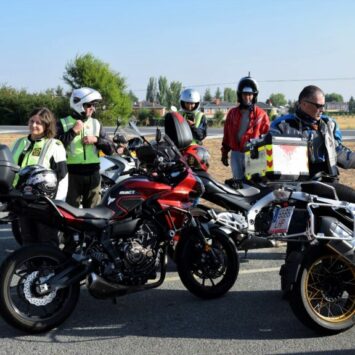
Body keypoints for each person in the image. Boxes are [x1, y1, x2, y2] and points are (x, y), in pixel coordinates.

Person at [271, 85, 355, 201]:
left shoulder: (329, 125)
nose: (322, 110)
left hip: (327, 184)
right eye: (318, 106)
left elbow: (339, 153)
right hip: (296, 188)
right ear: (303, 104)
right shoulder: (282, 125)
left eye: (323, 106)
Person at [11, 107, 68, 245]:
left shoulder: (55, 145)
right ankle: (31, 265)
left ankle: (49, 266)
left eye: (39, 123)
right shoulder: (19, 142)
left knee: (47, 240)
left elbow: (63, 176)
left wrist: (58, 203)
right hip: (22, 200)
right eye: (32, 121)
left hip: (44, 203)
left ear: (47, 125)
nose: (34, 125)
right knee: (27, 239)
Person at [56, 87, 115, 208]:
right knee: (70, 211)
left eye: (93, 105)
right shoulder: (63, 123)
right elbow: (55, 147)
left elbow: (110, 149)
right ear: (78, 104)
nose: (92, 108)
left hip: (93, 175)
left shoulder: (96, 123)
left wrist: (96, 140)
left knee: (93, 213)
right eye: (89, 105)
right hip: (72, 175)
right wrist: (72, 132)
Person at [221, 76, 270, 181]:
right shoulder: (232, 113)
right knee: (238, 183)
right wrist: (224, 153)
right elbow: (227, 135)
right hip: (236, 154)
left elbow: (267, 137)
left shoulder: (262, 115)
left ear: (254, 95)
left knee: (253, 184)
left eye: (250, 94)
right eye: (245, 94)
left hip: (254, 154)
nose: (247, 97)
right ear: (240, 95)